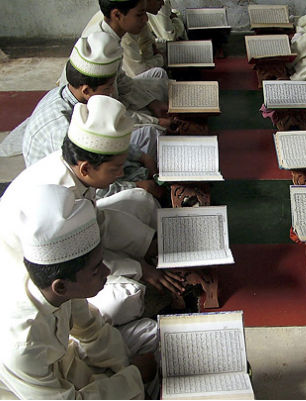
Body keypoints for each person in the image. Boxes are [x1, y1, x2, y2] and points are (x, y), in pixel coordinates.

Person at [0, 95, 185, 345]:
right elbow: (79, 262)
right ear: (86, 168)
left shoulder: (72, 170)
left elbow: (100, 223)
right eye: (115, 169)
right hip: (44, 278)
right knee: (124, 298)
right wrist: (142, 269)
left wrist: (148, 244)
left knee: (140, 199)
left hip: (78, 258)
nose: (122, 173)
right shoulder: (59, 195)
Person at [0, 184, 155, 399]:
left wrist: (126, 368)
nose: (107, 271)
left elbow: (92, 329)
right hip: (48, 392)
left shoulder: (56, 288)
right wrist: (133, 379)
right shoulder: (21, 348)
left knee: (152, 334)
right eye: (96, 269)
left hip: (70, 362)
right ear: (61, 286)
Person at [22, 32, 162, 200]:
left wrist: (142, 156)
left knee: (150, 135)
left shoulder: (74, 96)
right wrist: (138, 186)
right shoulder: (61, 130)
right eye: (108, 87)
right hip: (72, 191)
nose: (112, 91)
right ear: (86, 90)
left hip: (93, 166)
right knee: (142, 196)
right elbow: (90, 182)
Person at [60, 0, 172, 130]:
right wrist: (156, 121)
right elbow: (107, 107)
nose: (146, 19)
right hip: (97, 108)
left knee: (159, 76)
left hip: (110, 95)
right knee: (151, 129)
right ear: (117, 15)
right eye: (139, 14)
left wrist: (152, 102)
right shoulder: (100, 45)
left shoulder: (111, 37)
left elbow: (122, 82)